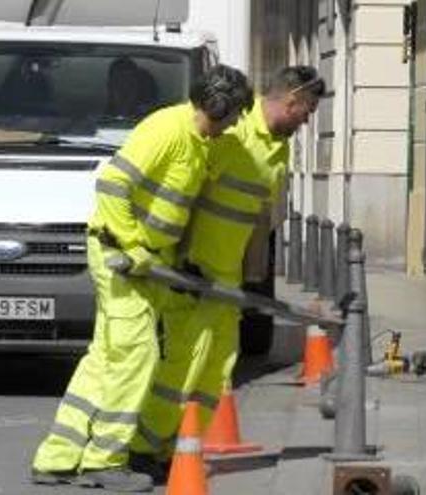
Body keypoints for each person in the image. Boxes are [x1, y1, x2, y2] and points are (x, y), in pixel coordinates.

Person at [30, 64, 253, 493]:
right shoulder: (167, 130)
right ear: (218, 106)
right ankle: (104, 461)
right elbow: (112, 185)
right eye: (234, 115)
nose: (235, 125)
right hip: (120, 256)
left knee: (106, 357)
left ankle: (58, 456)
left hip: (147, 260)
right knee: (137, 356)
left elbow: (169, 207)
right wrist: (131, 246)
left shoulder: (201, 140)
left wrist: (170, 258)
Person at [128, 66, 325, 479]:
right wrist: (183, 258)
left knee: (217, 368)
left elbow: (256, 218)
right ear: (290, 101)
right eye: (306, 111)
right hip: (196, 273)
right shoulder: (233, 133)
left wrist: (253, 273)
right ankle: (145, 447)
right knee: (184, 363)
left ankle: (182, 449)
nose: (307, 121)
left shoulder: (278, 146)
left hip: (226, 281)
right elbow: (186, 193)